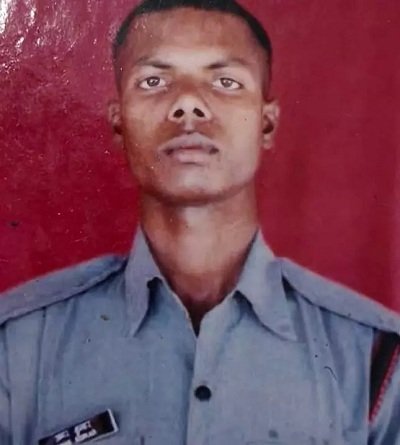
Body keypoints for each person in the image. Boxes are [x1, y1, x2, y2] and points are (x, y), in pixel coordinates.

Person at [0, 0, 399, 444]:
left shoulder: (373, 357)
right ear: (118, 124)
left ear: (267, 124)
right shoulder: (19, 347)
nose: (188, 103)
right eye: (153, 81)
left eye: (226, 81)